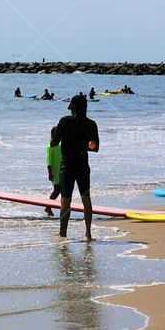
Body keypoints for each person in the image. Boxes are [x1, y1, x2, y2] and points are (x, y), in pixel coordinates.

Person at [54, 94, 99, 240]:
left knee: (65, 200)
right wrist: (85, 144)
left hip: (67, 166)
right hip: (82, 166)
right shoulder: (91, 124)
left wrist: (54, 136)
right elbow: (94, 147)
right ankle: (88, 233)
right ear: (86, 108)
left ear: (72, 107)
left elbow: (54, 143)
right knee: (86, 198)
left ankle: (63, 234)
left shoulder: (64, 122)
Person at [45, 125, 61, 217]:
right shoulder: (50, 147)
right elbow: (49, 161)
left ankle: (52, 207)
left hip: (62, 170)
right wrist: (50, 173)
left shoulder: (61, 145)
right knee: (57, 190)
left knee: (61, 190)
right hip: (55, 171)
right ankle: (48, 207)